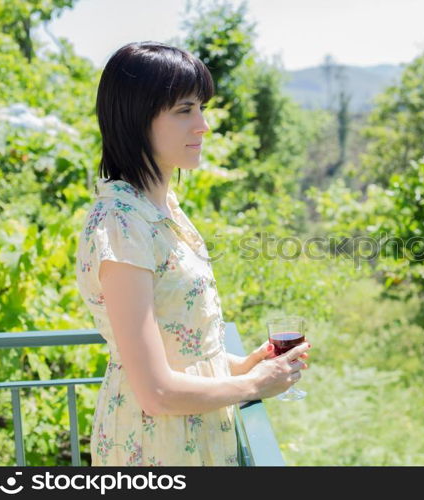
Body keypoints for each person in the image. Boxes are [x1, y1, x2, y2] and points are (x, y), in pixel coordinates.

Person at [75, 41, 310, 466]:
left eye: (200, 108)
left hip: (193, 435)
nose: (202, 125)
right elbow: (157, 391)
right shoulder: (122, 223)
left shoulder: (161, 209)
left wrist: (245, 364)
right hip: (156, 450)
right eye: (184, 110)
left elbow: (180, 356)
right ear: (136, 119)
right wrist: (256, 384)